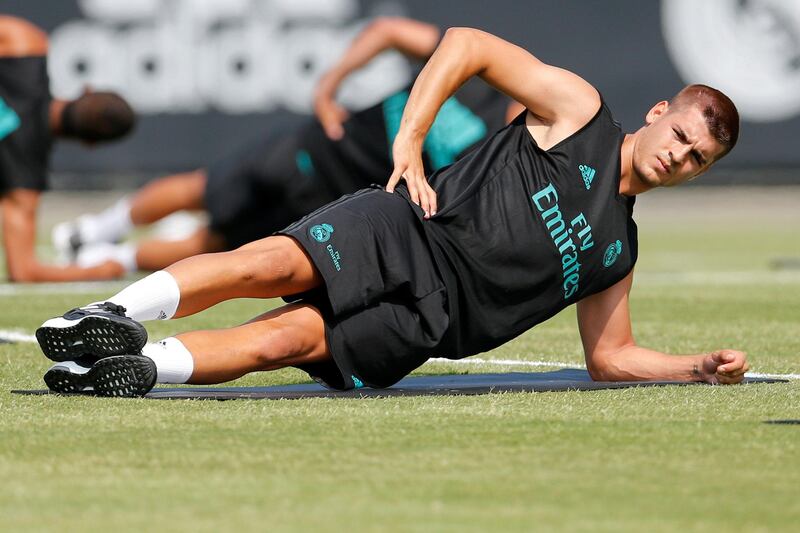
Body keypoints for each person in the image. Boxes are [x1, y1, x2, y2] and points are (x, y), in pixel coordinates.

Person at [36, 27, 749, 397]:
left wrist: (696, 367)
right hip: (408, 230)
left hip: (432, 323)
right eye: (680, 136)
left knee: (278, 345)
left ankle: (120, 371)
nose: (679, 157)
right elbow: (467, 44)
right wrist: (409, 142)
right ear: (660, 114)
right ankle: (109, 317)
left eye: (697, 160)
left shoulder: (617, 251)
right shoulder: (582, 112)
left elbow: (610, 356)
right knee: (269, 262)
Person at [52, 17, 522, 273]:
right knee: (204, 188)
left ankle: (110, 259)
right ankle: (94, 230)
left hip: (330, 200)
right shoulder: (475, 77)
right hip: (310, 148)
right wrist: (329, 85)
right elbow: (388, 31)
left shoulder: (499, 157)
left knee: (214, 244)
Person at [0, 15, 135, 282]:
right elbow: (24, 271)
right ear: (91, 144)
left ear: (85, 90)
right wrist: (103, 269)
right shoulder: (24, 182)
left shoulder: (24, 45)